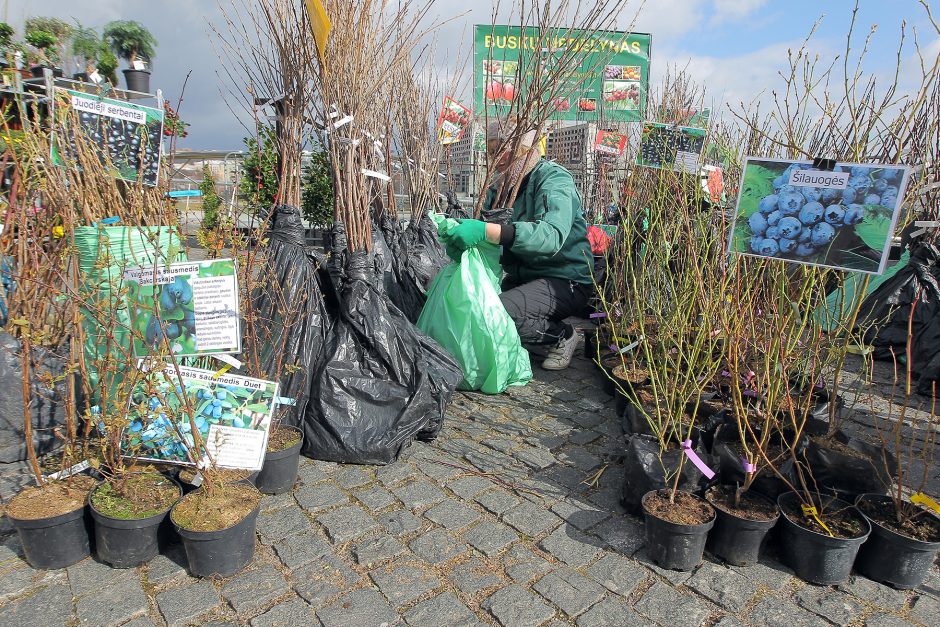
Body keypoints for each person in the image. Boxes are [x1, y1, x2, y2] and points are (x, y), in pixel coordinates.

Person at [441, 121, 594, 370]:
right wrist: (463, 239)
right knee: (470, 305)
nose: (497, 159)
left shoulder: (553, 179)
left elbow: (551, 235)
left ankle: (562, 335)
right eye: (491, 152)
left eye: (503, 149)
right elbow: (486, 233)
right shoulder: (499, 189)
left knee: (495, 313)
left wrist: (486, 231)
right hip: (524, 277)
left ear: (524, 149)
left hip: (565, 281)